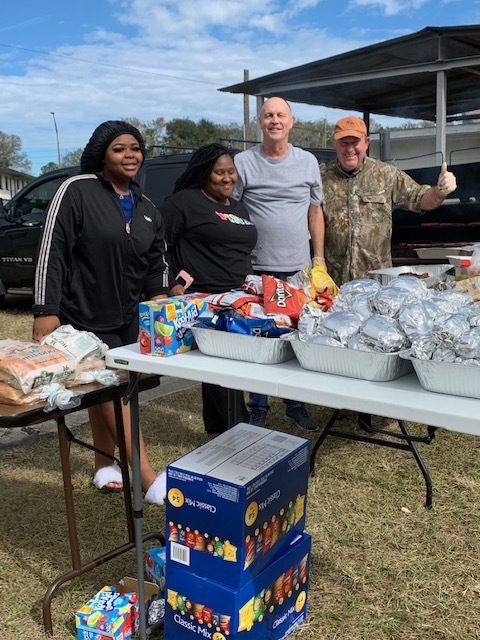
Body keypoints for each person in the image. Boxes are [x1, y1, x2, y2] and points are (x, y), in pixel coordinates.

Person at [32, 120, 171, 505]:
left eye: (136, 149)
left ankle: (104, 464)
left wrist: (160, 294)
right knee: (113, 392)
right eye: (120, 148)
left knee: (108, 392)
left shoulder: (146, 207)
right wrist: (46, 309)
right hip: (82, 317)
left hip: (127, 315)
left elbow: (157, 258)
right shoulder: (75, 191)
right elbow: (52, 250)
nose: (131, 155)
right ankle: (145, 474)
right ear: (102, 153)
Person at [233, 96, 324, 431]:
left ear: (291, 121)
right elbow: (231, 211)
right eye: (268, 115)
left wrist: (319, 259)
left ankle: (295, 405)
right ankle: (257, 407)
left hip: (298, 267)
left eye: (280, 115)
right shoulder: (243, 162)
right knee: (260, 340)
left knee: (298, 336)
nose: (275, 120)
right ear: (260, 122)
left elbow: (316, 211)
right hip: (257, 268)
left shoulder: (308, 162)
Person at [161, 143, 257, 436]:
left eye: (231, 172)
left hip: (238, 298)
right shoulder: (184, 203)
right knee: (221, 370)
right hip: (205, 301)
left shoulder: (237, 206)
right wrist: (171, 283)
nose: (227, 178)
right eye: (219, 173)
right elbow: (158, 245)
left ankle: (221, 431)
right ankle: (236, 429)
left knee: (233, 369)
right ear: (205, 174)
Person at [321, 115, 458, 286]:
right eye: (344, 143)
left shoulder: (386, 175)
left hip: (377, 283)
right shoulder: (321, 177)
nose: (349, 149)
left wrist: (440, 191)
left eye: (354, 142)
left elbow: (422, 199)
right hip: (333, 284)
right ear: (336, 145)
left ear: (366, 142)